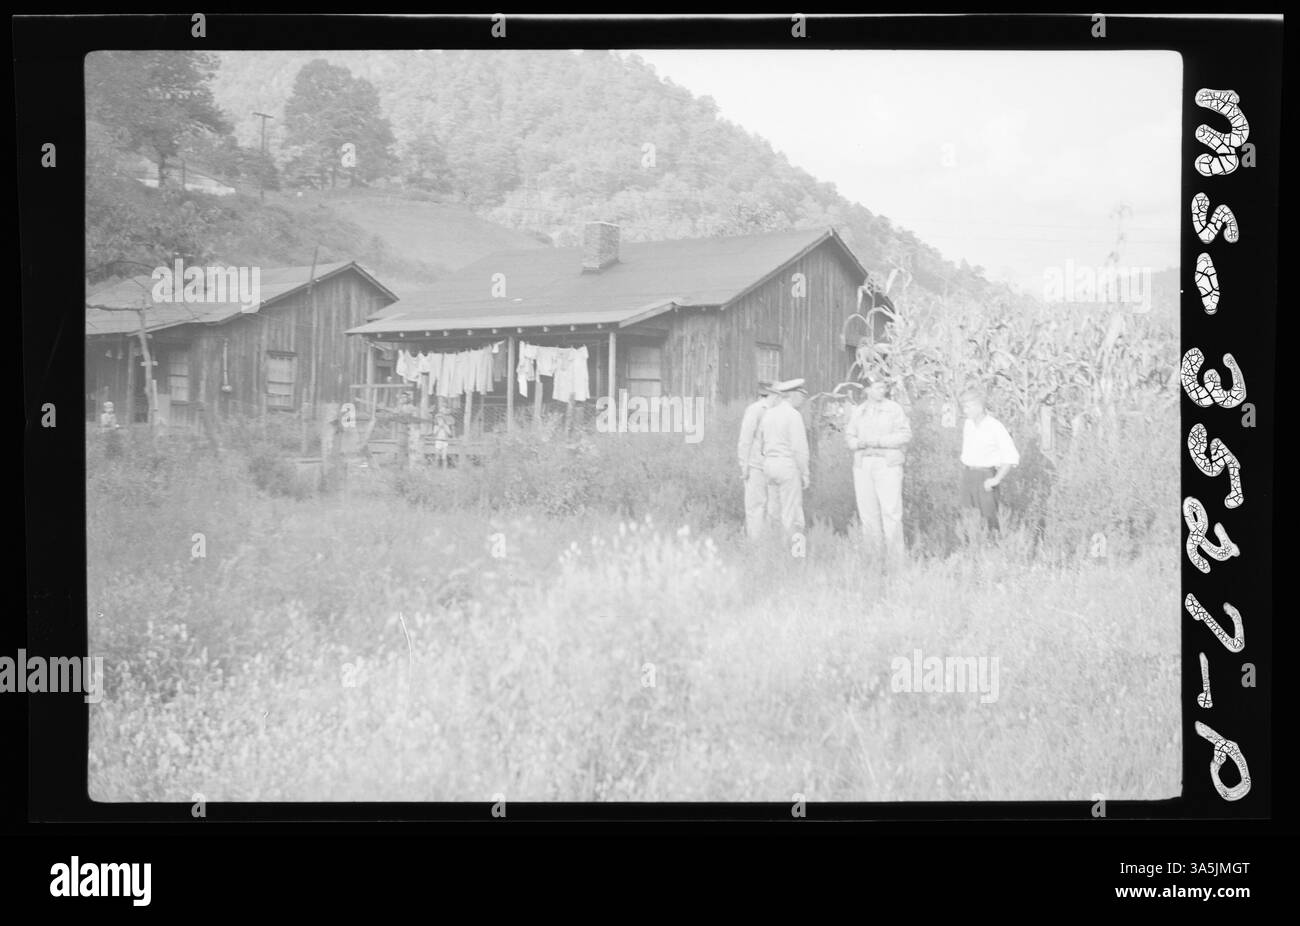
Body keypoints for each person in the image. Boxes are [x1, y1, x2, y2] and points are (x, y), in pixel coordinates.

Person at [844, 372, 912, 569]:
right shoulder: (859, 411)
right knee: (868, 514)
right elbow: (849, 436)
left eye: (883, 387)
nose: (881, 390)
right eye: (876, 387)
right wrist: (859, 443)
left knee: (891, 512)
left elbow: (905, 434)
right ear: (866, 390)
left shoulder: (894, 410)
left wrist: (881, 442)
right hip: (863, 464)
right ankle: (874, 559)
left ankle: (895, 561)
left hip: (887, 464)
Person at [959, 386, 1020, 531]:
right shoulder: (968, 425)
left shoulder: (995, 427)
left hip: (986, 477)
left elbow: (1010, 457)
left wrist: (996, 479)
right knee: (968, 518)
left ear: (979, 407)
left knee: (988, 519)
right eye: (964, 407)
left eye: (967, 407)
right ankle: (971, 550)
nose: (964, 411)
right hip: (968, 476)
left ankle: (990, 550)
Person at [758, 379, 811, 535]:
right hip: (787, 465)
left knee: (773, 511)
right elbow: (799, 449)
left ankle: (772, 548)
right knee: (792, 513)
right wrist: (805, 472)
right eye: (801, 396)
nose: (802, 400)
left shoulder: (768, 414)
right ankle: (793, 552)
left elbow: (761, 443)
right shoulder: (793, 415)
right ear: (792, 395)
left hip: (769, 465)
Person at [736, 380, 779, 538]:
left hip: (770, 465)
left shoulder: (775, 411)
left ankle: (767, 541)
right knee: (756, 506)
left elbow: (746, 440)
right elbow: (746, 439)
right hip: (756, 465)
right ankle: (756, 542)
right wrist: (744, 465)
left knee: (768, 506)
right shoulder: (755, 410)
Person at [432, 397, 454, 468]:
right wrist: (439, 427)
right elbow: (434, 434)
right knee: (437, 457)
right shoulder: (436, 426)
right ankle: (436, 469)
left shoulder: (446, 425)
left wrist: (444, 427)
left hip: (444, 442)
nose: (440, 420)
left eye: (441, 419)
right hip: (438, 441)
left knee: (444, 457)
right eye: (438, 419)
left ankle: (445, 470)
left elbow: (450, 434)